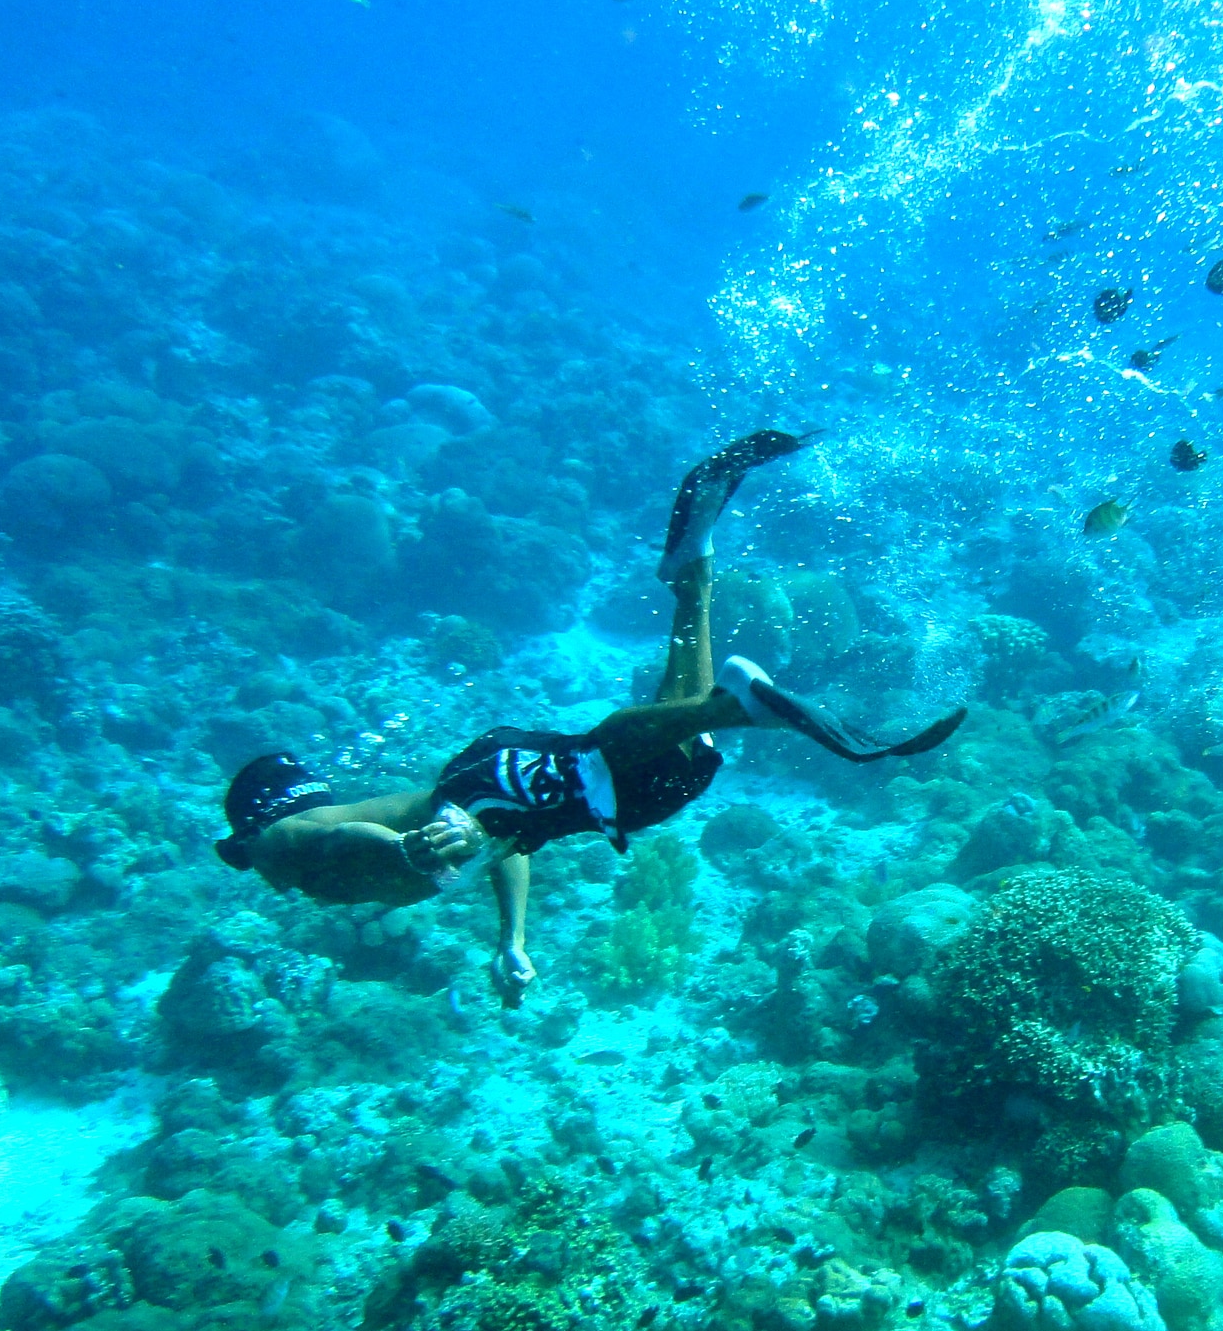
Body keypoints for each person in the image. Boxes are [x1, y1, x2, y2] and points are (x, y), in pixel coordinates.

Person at [213, 429, 966, 1006]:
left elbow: (342, 838)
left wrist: (411, 847)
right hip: (498, 799)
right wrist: (510, 940)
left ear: (258, 822)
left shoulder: (281, 848)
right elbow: (502, 849)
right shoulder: (321, 851)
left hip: (478, 799)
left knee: (610, 762)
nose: (258, 871)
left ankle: (737, 709)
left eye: (244, 848)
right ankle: (693, 579)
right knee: (667, 748)